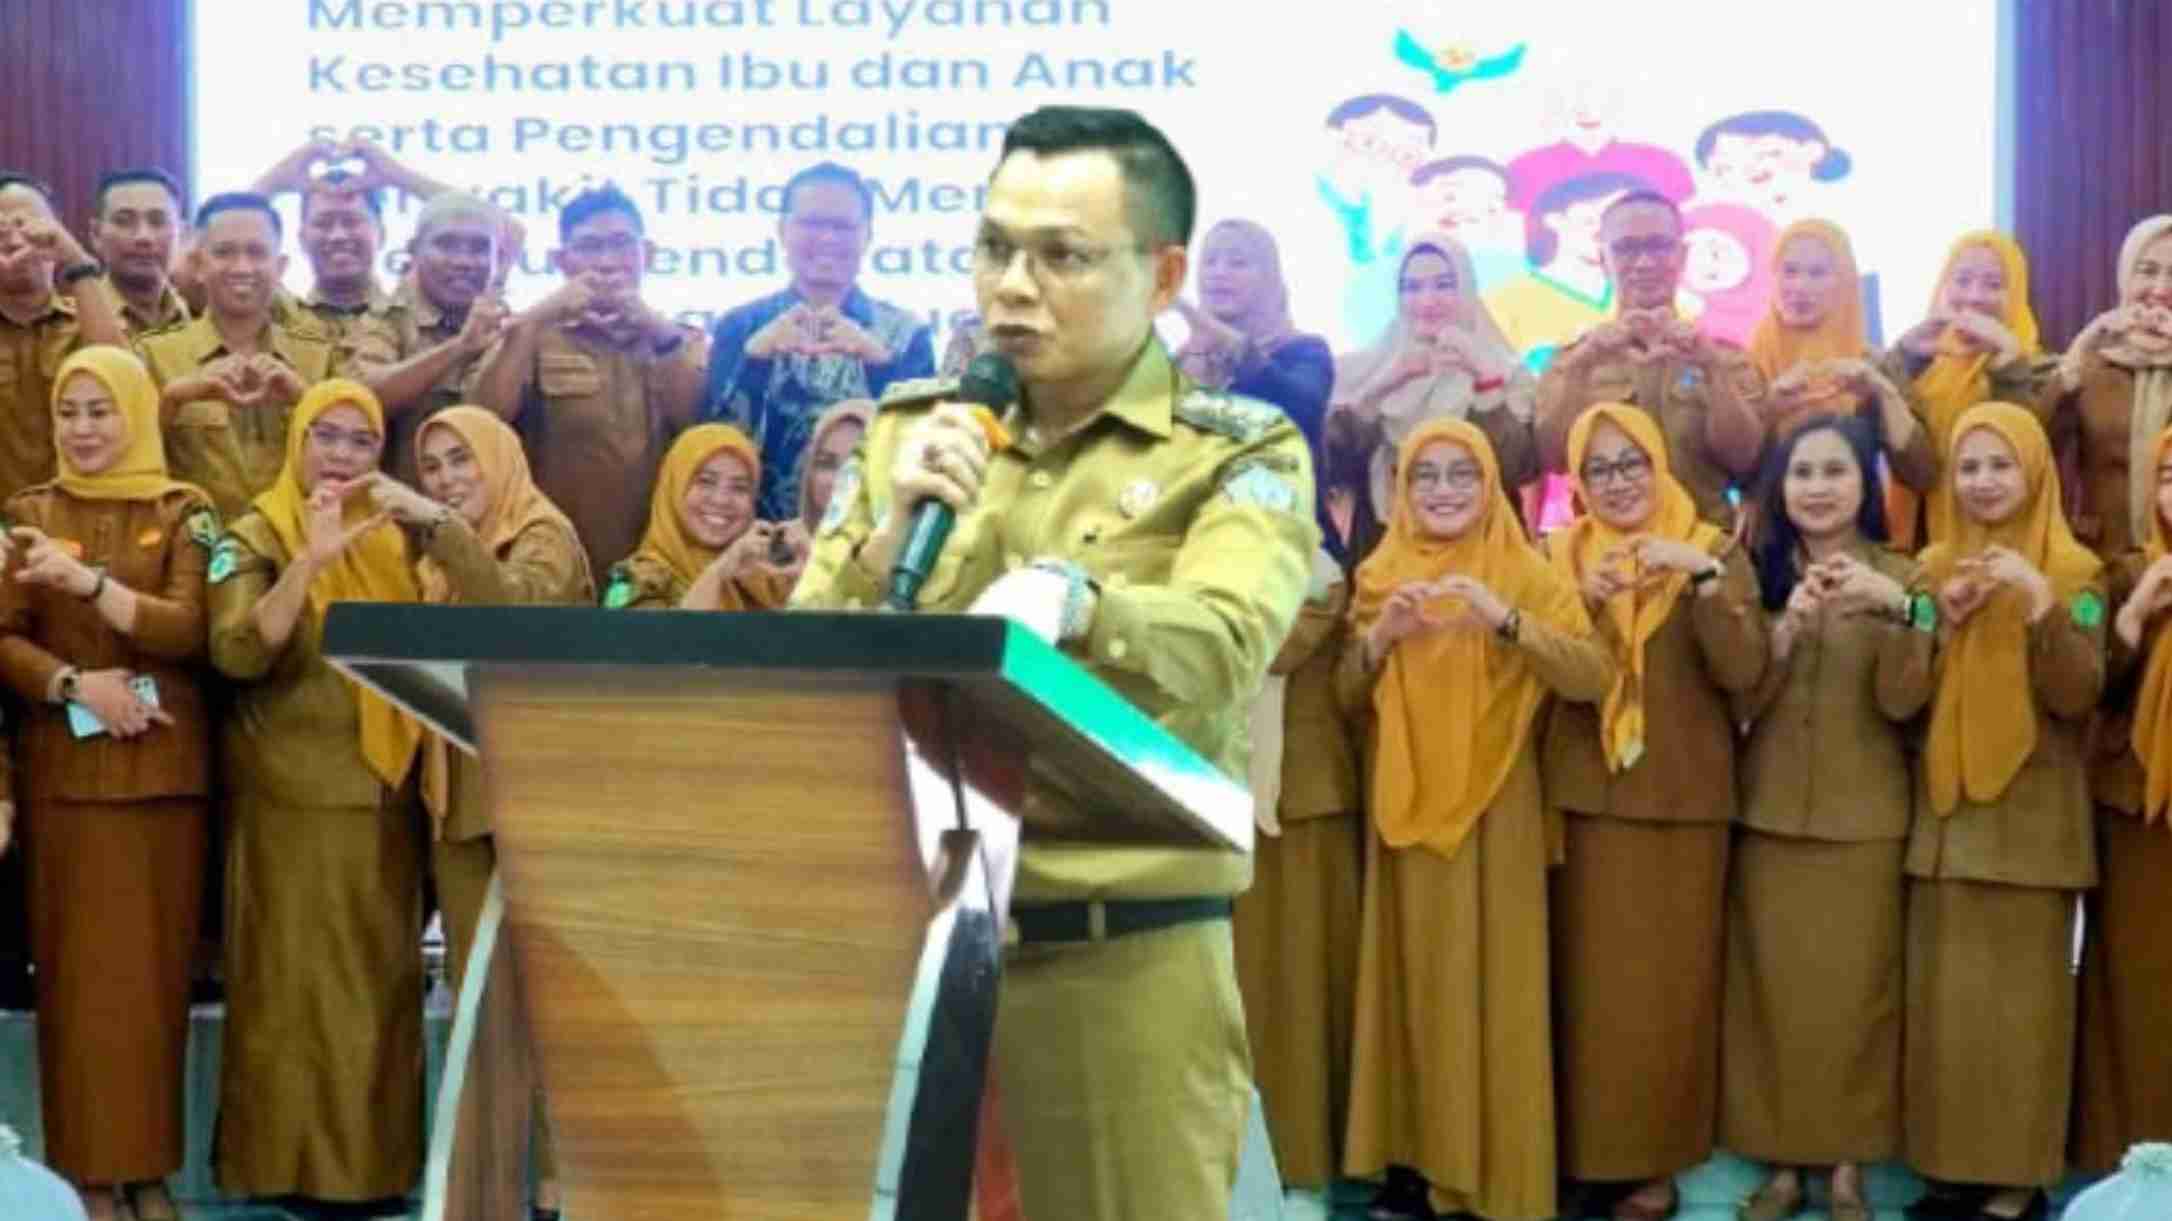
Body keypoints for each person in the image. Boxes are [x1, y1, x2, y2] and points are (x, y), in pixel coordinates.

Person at [791, 105, 1317, 1220]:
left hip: (1116, 971)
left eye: (1062, 256)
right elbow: (795, 674)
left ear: (1164, 274)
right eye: (994, 249)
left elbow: (1227, 643)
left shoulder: (1238, 451)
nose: (1012, 288)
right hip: (895, 961)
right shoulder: (906, 439)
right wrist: (888, 547)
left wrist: (1085, 608)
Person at [207, 379, 498, 1215]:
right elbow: (234, 652)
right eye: (325, 436)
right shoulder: (255, 529)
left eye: (360, 441)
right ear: (296, 441)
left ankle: (370, 1174)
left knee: (380, 997)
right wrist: (309, 562)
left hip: (392, 798)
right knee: (294, 994)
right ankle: (292, 1174)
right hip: (293, 805)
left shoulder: (395, 534)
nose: (340, 455)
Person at [1338, 418, 1609, 1221]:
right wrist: (1382, 637)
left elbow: (1593, 675)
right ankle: (1418, 1164)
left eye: (1463, 474)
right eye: (1426, 475)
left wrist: (1504, 618)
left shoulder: (1525, 572)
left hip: (1497, 810)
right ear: (1401, 488)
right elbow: (1344, 697)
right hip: (1405, 811)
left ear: (1491, 484)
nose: (1445, 490)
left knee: (1494, 989)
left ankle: (1491, 1176)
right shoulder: (1380, 574)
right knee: (1412, 987)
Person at [0, 347, 218, 1221]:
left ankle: (150, 1174)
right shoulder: (28, 513)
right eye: (69, 412)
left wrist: (89, 583)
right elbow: (3, 638)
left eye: (101, 411)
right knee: (79, 995)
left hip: (164, 785)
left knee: (155, 992)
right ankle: (89, 1179)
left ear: (135, 412)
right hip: (67, 788)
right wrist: (71, 684)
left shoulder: (188, 509)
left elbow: (190, 628)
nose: (84, 429)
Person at [1541, 403, 1765, 1221]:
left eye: (1632, 461)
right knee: (1584, 991)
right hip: (1585, 797)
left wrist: (1700, 578)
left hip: (1681, 801)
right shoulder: (1555, 556)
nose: (1619, 481)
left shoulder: (1711, 548)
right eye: (1598, 468)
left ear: (1660, 462)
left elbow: (1745, 669)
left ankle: (1654, 1163)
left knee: (1668, 993)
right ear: (1578, 481)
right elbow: (1537, 669)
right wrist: (1582, 601)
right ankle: (1584, 1156)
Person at [1725, 417, 1933, 1221]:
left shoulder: (1902, 575)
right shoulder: (1755, 571)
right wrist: (1784, 631)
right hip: (1771, 814)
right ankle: (1782, 1165)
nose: (1817, 487)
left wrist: (1902, 610)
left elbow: (1905, 701)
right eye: (1802, 471)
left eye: (1835, 470)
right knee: (1773, 999)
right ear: (1780, 486)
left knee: (1857, 1001)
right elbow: (1738, 696)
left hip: (1866, 817)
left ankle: (1847, 1168)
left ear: (1865, 483)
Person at [1903, 403, 2102, 1221]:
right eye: (1968, 466)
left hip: (2032, 831)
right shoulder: (1929, 571)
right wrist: (1934, 626)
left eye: (2000, 464)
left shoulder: (2077, 575)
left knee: (2024, 1020)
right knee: (1945, 1015)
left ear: (2036, 471)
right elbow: (1898, 697)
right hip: (1947, 826)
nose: (1983, 482)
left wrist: (2040, 604)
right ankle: (1949, 1171)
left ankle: (2017, 1181)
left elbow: (2079, 693)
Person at [410, 403, 591, 1221]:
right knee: (480, 1009)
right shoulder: (439, 555)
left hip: (532, 799)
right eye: (433, 466)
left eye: (462, 461)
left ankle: (559, 1187)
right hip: (460, 801)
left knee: (548, 1007)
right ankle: (484, 1191)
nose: (448, 480)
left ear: (501, 459)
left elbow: (517, 615)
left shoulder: (543, 534)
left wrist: (443, 530)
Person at [468, 185, 707, 572]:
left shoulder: (679, 339)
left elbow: (703, 425)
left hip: (659, 566)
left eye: (621, 244)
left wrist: (658, 331)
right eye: (589, 247)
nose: (607, 263)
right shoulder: (534, 337)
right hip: (554, 561)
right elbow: (482, 421)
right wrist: (536, 318)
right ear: (562, 261)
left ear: (647, 255)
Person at [702, 162, 934, 520]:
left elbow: (923, 448)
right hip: (757, 534)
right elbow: (710, 449)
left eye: (843, 227)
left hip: (869, 533)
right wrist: (755, 363)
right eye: (812, 224)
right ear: (782, 231)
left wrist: (879, 365)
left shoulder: (906, 334)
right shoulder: (740, 326)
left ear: (867, 235)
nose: (828, 238)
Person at [1537, 191, 1768, 524]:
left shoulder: (1726, 361)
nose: (1644, 263)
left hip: (1706, 546)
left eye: (1659, 246)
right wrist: (1579, 371)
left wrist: (1713, 371)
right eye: (1626, 248)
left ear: (1682, 256)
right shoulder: (1572, 362)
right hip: (1608, 551)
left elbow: (1747, 462)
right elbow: (1552, 459)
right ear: (1603, 260)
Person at [2076, 422, 2172, 1176]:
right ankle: (2131, 1165)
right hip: (2135, 809)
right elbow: (2086, 690)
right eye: (2168, 475)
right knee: (2135, 992)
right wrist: (2135, 615)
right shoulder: (2126, 572)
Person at [137, 192, 340, 521]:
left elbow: (347, 459)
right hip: (193, 544)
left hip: (298, 541)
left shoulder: (317, 357)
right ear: (198, 265)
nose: (242, 267)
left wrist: (304, 400)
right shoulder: (155, 355)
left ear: (280, 267)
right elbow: (132, 459)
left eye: (257, 253)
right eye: (224, 252)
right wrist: (174, 400)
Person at [1328, 232, 1537, 545]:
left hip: (1484, 551)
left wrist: (1485, 382)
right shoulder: (1369, 367)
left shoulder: (1505, 370)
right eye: (1411, 287)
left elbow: (1516, 468)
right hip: (1388, 549)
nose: (1427, 301)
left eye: (1444, 285)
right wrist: (1383, 386)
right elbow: (1332, 464)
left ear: (1466, 288)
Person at [1879, 231, 2061, 550]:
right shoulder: (1921, 368)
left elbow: (2024, 456)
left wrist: (2008, 362)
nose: (1974, 297)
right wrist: (1904, 358)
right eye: (1962, 280)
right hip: (1923, 550)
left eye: (1993, 284)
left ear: (2016, 293)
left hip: (2010, 550)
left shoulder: (2043, 372)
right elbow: (1915, 469)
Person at [1746, 220, 1935, 493]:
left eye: (1817, 273)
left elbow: (1921, 474)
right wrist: (1769, 410)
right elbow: (1734, 473)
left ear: (1845, 282)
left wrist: (1884, 394)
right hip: (1770, 517)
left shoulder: (1871, 365)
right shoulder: (1746, 365)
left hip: (1855, 517)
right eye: (1789, 271)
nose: (1800, 286)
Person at [345, 193, 513, 485]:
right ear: (414, 251)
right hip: (402, 507)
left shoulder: (510, 327)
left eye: (479, 248)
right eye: (446, 245)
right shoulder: (388, 319)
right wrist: (458, 349)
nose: (463, 261)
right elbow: (361, 399)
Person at [0, 173, 130, 500]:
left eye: (27, 225)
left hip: (84, 512)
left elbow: (125, 382)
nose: (14, 241)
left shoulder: (89, 316)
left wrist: (75, 259)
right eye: (1, 230)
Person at [2054, 213, 2172, 557]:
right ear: (2125, 275)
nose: (2160, 289)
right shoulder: (2094, 360)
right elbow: (2040, 445)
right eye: (2147, 271)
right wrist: (2080, 348)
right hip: (2102, 556)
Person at [1171, 219, 1336, 452]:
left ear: (1269, 278)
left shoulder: (1306, 352)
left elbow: (1300, 413)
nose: (1219, 273)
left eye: (1238, 263)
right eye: (1209, 262)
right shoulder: (1182, 360)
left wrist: (1227, 340)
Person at [600, 423, 801, 611]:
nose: (721, 499)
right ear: (674, 488)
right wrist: (720, 571)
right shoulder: (631, 581)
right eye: (706, 481)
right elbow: (647, 638)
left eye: (739, 487)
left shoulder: (767, 579)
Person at [1483, 171, 1645, 362]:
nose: (1606, 231)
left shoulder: (1653, 297)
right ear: (1555, 220)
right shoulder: (1502, 305)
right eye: (1592, 220)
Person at [88, 169, 192, 336]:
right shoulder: (73, 322)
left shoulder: (204, 319)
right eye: (124, 222)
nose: (143, 237)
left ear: (183, 235)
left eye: (158, 221)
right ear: (96, 234)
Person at [796, 398, 873, 534]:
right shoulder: (786, 543)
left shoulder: (903, 545)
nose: (838, 480)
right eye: (826, 464)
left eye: (856, 466)